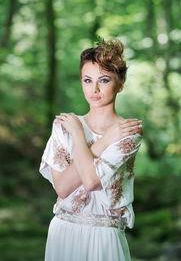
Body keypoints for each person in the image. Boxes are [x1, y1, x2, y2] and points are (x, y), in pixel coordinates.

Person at [39, 38, 143, 261]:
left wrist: (85, 135)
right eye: (87, 80)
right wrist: (98, 139)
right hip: (63, 231)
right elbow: (63, 188)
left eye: (103, 80)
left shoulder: (128, 132)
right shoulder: (65, 126)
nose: (94, 89)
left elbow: (90, 181)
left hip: (105, 236)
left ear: (120, 84)